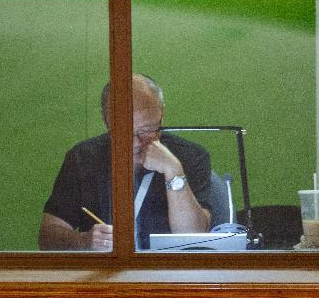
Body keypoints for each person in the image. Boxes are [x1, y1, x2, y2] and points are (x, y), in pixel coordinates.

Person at [39, 74, 210, 250]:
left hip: (170, 272)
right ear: (106, 121)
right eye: (123, 131)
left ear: (162, 113)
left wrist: (174, 172)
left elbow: (193, 239)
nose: (136, 142)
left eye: (147, 129)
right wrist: (84, 241)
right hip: (106, 272)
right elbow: (48, 236)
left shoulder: (190, 156)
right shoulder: (83, 158)